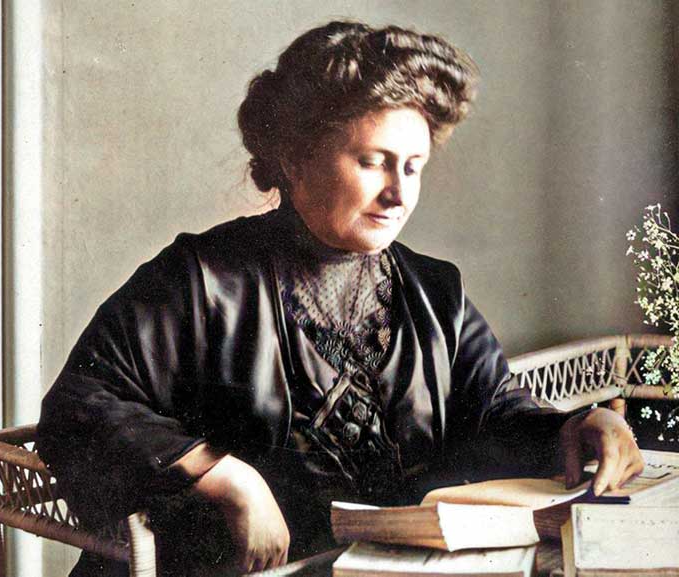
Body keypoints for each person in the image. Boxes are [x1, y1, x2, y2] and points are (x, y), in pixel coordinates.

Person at [37, 21, 643, 577]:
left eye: (413, 167)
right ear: (296, 159)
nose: (398, 194)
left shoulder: (436, 293)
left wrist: (581, 425)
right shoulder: (203, 278)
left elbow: (493, 413)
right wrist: (227, 477)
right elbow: (79, 405)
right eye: (374, 163)